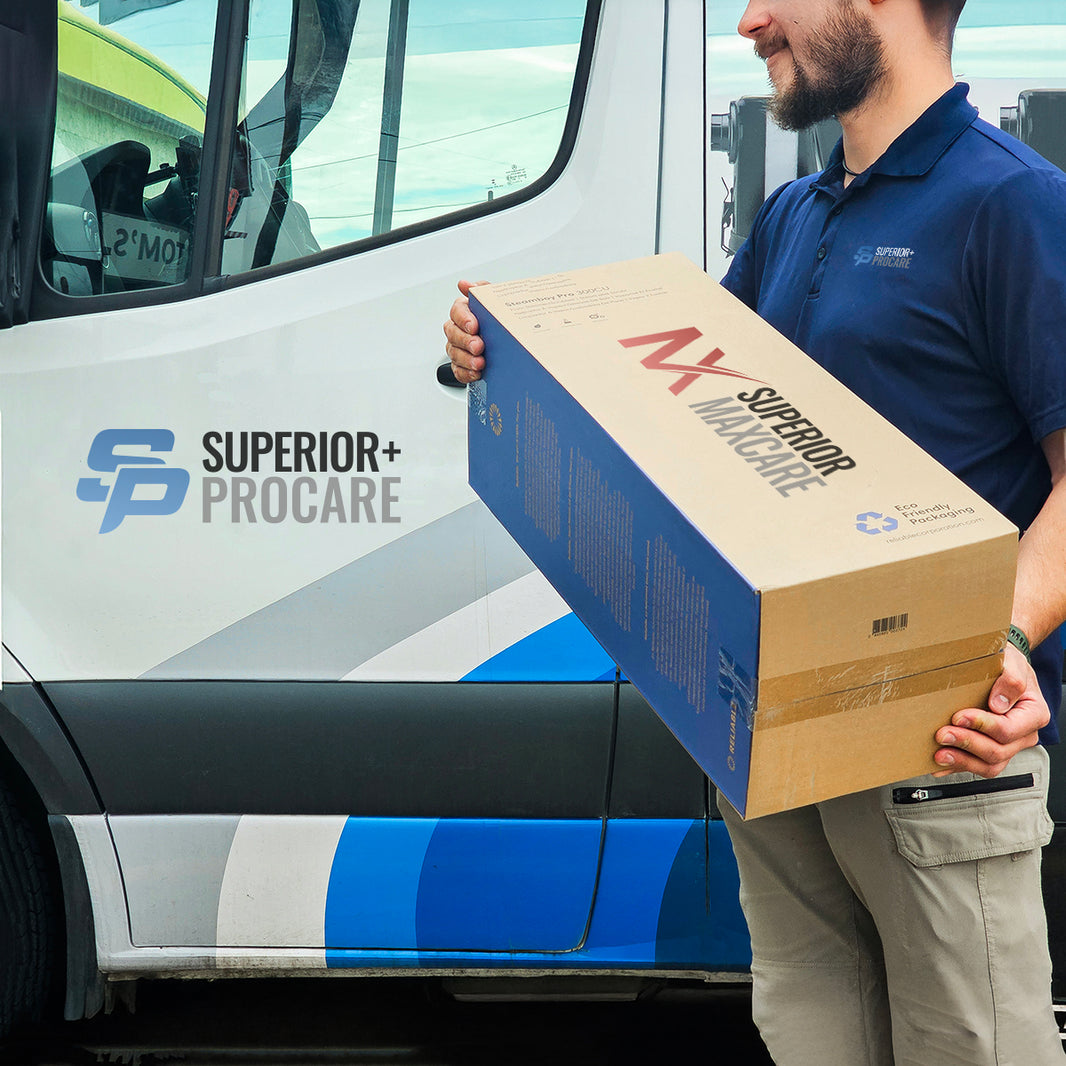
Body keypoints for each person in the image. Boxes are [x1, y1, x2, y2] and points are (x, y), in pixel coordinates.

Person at [444, 1, 1066, 1062]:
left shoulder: (1012, 204)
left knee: (971, 1044)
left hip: (939, 737)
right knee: (811, 1023)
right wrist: (502, 341)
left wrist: (1003, 636)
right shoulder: (794, 215)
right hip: (778, 731)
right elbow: (683, 401)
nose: (749, 20)